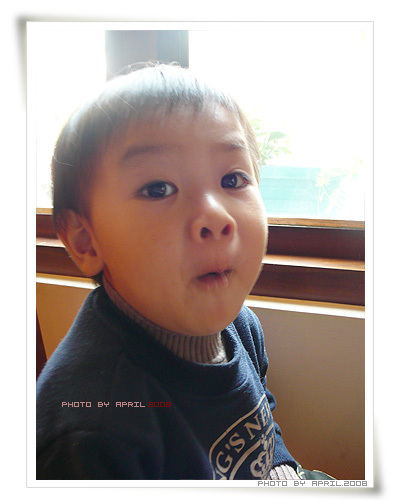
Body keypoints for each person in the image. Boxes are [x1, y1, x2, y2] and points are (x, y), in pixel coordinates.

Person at [36, 62, 311, 480]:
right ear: (86, 241)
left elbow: (262, 426)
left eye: (232, 179)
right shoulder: (90, 431)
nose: (215, 216)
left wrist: (286, 474)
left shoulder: (241, 326)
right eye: (158, 189)